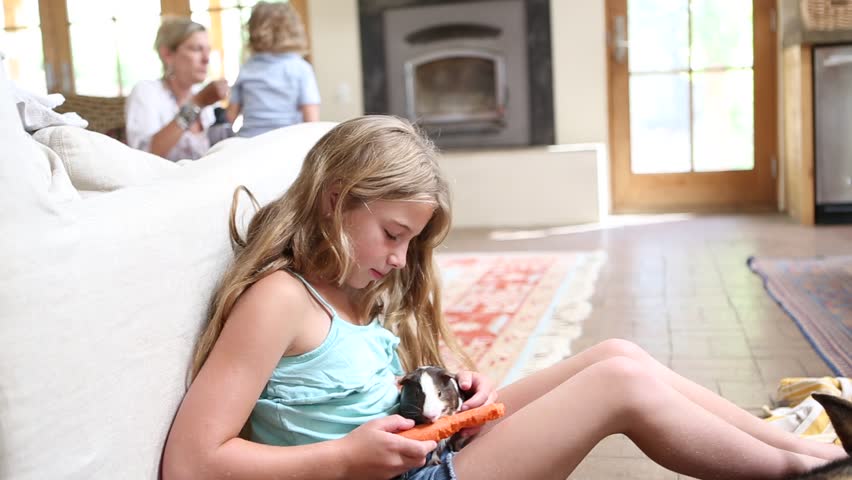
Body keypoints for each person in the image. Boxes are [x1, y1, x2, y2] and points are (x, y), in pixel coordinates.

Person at [161, 115, 846, 480]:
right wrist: (343, 459)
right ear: (337, 200)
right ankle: (800, 471)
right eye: (393, 234)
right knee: (616, 387)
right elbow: (190, 465)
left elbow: (328, 397)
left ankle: (811, 452)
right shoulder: (278, 299)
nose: (400, 259)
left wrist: (443, 397)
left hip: (426, 456)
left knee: (618, 353)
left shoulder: (345, 290)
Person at [125, 17, 229, 161]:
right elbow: (144, 156)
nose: (206, 59)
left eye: (208, 50)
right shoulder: (147, 92)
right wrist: (196, 104)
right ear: (167, 54)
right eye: (197, 49)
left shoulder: (206, 95)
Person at [225, 1, 320, 138]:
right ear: (294, 30)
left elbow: (230, 117)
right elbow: (311, 121)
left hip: (249, 142)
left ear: (252, 31)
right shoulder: (301, 69)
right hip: (286, 141)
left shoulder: (247, 68)